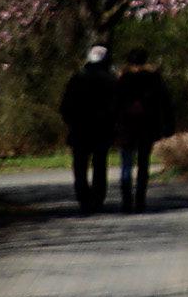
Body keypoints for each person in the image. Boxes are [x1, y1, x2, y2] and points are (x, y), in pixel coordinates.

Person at [113, 50, 175, 212]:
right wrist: (168, 125)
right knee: (143, 164)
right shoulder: (154, 78)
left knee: (126, 164)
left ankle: (126, 201)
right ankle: (140, 199)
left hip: (126, 128)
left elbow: (113, 104)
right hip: (147, 126)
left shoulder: (122, 79)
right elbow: (165, 102)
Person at [58, 46, 117, 213]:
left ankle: (83, 196)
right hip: (102, 128)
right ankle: (98, 197)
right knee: (100, 163)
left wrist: (71, 122)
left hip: (79, 128)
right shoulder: (110, 80)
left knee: (80, 164)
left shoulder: (76, 79)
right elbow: (116, 106)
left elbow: (65, 106)